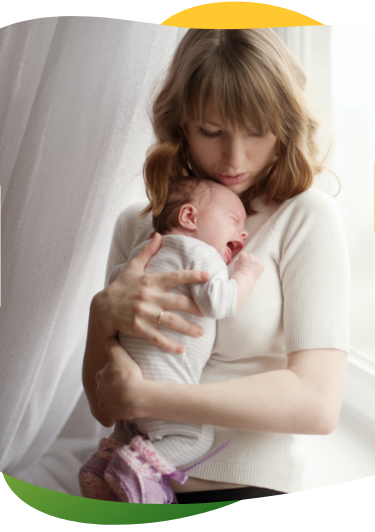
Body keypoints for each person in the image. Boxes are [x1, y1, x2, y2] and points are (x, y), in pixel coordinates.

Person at [82, 29, 350, 503]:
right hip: (128, 486)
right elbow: (106, 408)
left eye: (256, 131)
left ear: (284, 126)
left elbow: (317, 405)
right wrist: (101, 314)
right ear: (180, 124)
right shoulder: (139, 227)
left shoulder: (306, 216)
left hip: (248, 486)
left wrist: (152, 399)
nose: (234, 158)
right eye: (211, 131)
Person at [79, 177, 263, 503]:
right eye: (234, 221)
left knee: (132, 428)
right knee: (195, 435)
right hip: (165, 377)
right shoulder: (203, 253)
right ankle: (134, 470)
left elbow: (113, 292)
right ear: (190, 218)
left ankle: (103, 461)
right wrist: (245, 273)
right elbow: (219, 303)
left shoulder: (142, 252)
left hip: (125, 374)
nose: (243, 233)